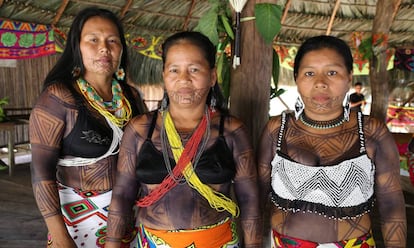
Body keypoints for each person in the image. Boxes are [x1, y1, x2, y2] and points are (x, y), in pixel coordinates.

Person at [105, 31, 262, 248]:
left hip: (219, 242)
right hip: (152, 242)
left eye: (194, 69)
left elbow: (249, 199)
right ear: (164, 75)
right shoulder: (140, 130)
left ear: (212, 76)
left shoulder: (231, 130)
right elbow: (122, 195)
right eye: (174, 70)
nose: (184, 79)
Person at [257, 35, 407, 247]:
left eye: (332, 72)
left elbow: (392, 205)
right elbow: (255, 199)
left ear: (349, 78)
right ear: (297, 78)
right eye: (310, 73)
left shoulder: (372, 132)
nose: (320, 83)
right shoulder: (277, 129)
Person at [29, 7, 147, 247]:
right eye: (93, 40)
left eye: (112, 40)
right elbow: (42, 172)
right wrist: (60, 235)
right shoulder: (59, 97)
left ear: (121, 49)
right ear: (77, 47)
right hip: (77, 218)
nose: (104, 47)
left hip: (127, 214)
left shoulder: (131, 97)